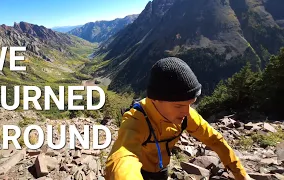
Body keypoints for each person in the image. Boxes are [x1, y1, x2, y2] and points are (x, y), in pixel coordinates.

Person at [104, 57, 252, 180]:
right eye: (178, 106)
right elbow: (122, 158)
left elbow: (214, 139)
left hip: (162, 169)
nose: (187, 112)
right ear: (155, 99)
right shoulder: (136, 120)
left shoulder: (186, 115)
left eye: (190, 104)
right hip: (140, 171)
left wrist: (242, 175)